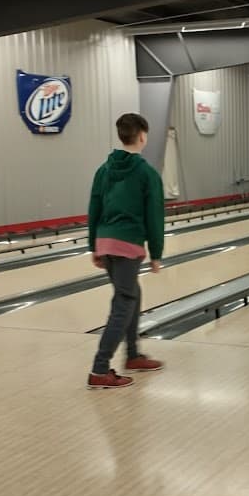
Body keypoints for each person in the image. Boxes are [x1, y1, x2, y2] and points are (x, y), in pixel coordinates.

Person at [87, 112, 165, 389]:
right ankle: (99, 369)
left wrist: (93, 247)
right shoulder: (146, 173)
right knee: (123, 303)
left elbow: (94, 208)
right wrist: (156, 254)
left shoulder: (103, 170)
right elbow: (155, 215)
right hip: (128, 242)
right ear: (142, 136)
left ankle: (132, 355)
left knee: (132, 293)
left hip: (106, 241)